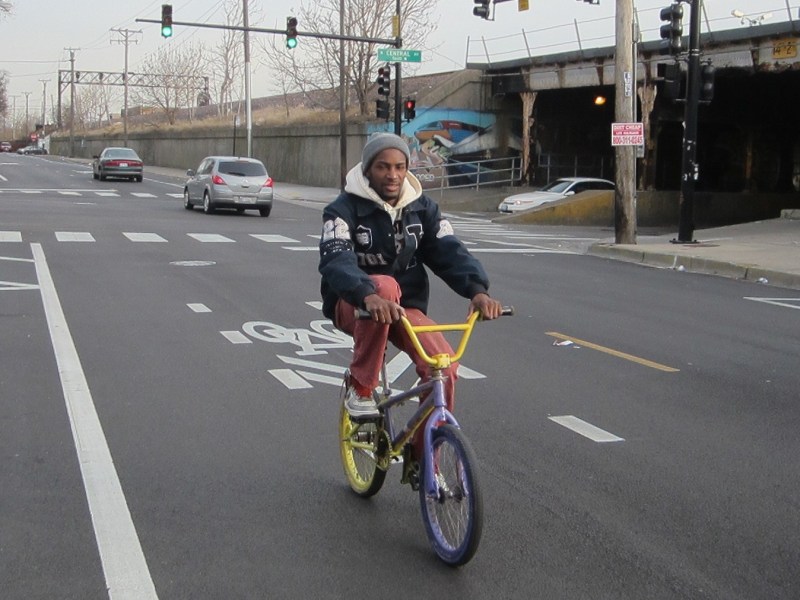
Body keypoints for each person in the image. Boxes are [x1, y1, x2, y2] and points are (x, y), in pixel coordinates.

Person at [318, 132, 503, 423]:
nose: (393, 175)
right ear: (368, 169)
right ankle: (361, 387)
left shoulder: (423, 209)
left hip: (405, 309)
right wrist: (368, 295)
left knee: (443, 368)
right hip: (355, 304)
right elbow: (335, 259)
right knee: (385, 286)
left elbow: (449, 250)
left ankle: (424, 460)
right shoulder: (342, 209)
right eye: (383, 166)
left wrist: (478, 291)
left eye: (400, 167)